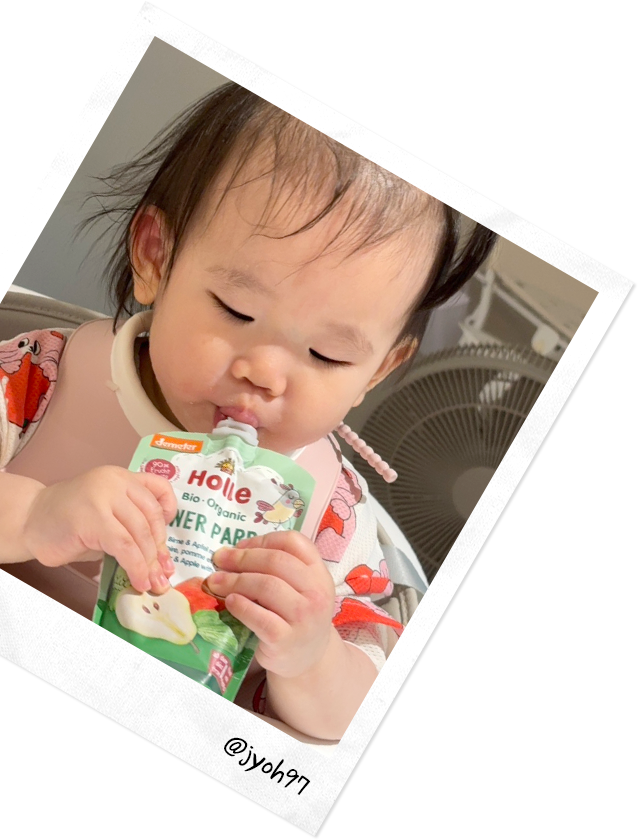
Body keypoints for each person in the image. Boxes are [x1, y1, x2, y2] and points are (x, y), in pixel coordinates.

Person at [0, 83, 497, 740]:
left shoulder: (334, 516)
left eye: (326, 354)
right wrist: (33, 516)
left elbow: (353, 722)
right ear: (155, 259)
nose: (264, 372)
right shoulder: (37, 378)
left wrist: (312, 659)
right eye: (236, 311)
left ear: (377, 371)